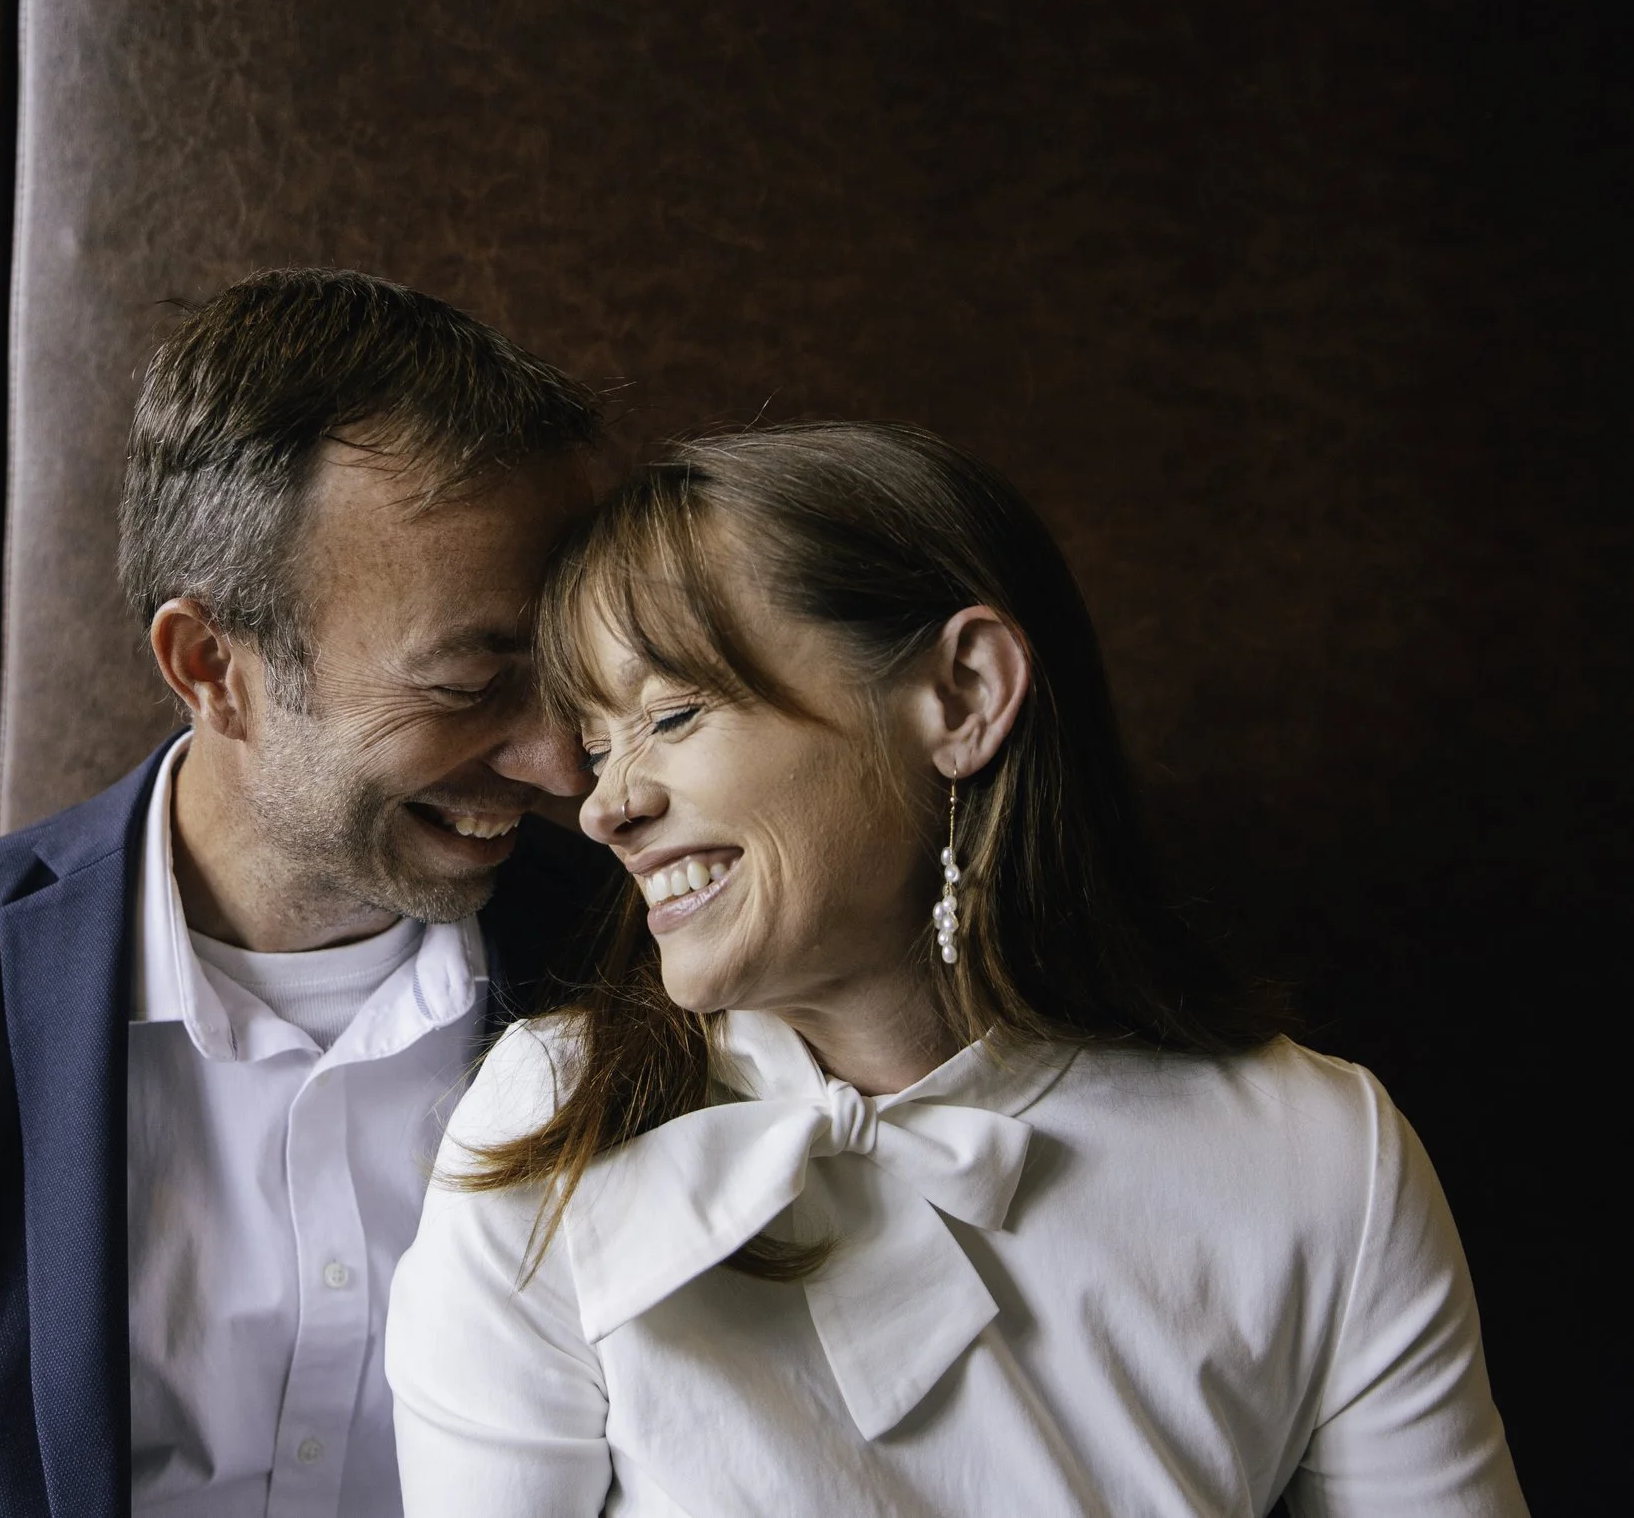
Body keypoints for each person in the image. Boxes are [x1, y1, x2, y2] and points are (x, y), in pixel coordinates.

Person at [386, 423, 1527, 1517]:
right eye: (597, 746)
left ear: (965, 695)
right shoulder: (546, 1121)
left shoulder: (1320, 1152)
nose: (605, 807)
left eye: (672, 712)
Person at [0, 269, 615, 1517]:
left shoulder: (638, 952)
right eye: (466, 683)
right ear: (211, 665)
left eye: (573, 674)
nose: (561, 763)